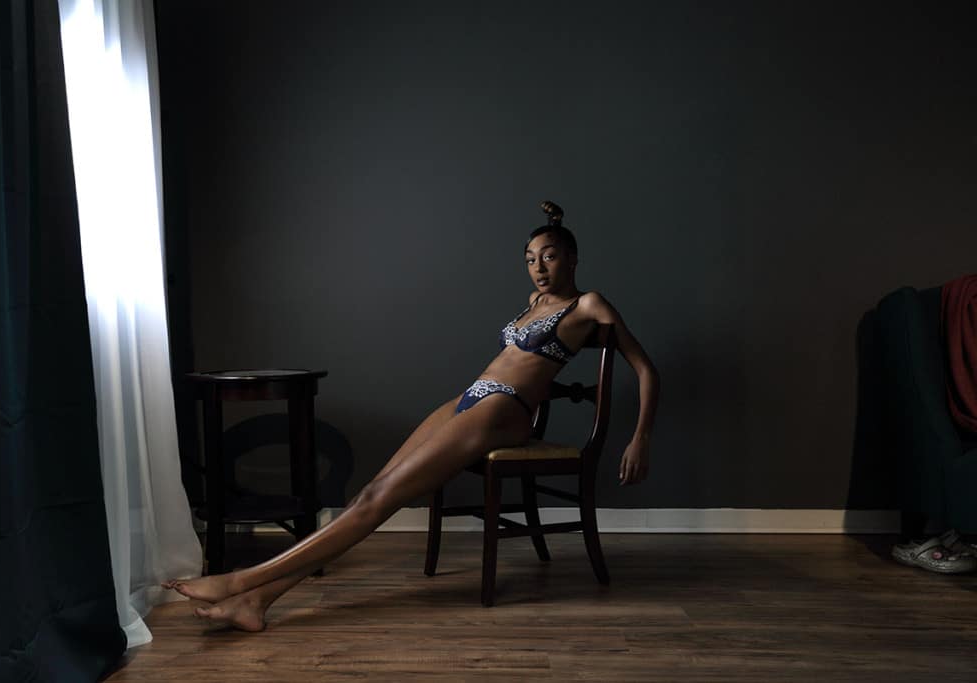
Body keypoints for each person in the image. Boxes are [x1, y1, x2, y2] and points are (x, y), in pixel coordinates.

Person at [163, 201, 660, 631]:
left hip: (506, 411)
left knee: (378, 498)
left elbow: (644, 368)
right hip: (474, 396)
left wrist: (638, 437)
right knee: (370, 496)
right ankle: (255, 602)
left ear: (572, 257)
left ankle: (239, 580)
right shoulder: (534, 301)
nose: (539, 268)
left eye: (549, 256)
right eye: (530, 259)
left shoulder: (590, 304)